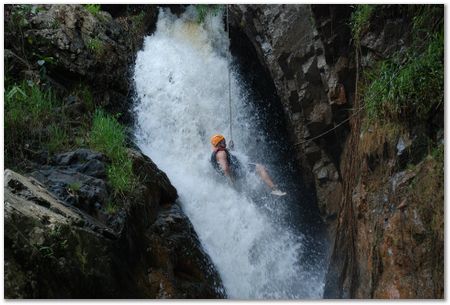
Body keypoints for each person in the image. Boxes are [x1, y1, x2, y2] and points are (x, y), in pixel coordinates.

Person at [210, 134, 287, 196]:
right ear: (219, 144)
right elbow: (225, 168)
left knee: (262, 169)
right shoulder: (221, 153)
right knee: (260, 168)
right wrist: (231, 180)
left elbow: (227, 162)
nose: (225, 143)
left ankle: (269, 185)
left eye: (224, 141)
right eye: (223, 142)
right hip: (238, 171)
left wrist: (231, 148)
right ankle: (274, 189)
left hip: (237, 169)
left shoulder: (219, 153)